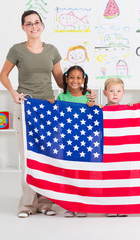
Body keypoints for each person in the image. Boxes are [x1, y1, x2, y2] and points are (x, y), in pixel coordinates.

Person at [0, 10, 96, 218]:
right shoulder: (16, 50)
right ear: (23, 27)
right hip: (26, 107)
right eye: (29, 23)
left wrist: (84, 90)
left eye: (37, 22)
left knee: (47, 157)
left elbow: (62, 81)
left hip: (49, 109)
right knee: (28, 158)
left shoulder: (51, 50)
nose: (33, 26)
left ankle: (45, 202)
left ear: (42, 25)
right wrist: (14, 93)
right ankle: (27, 204)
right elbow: (3, 75)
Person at [54, 65, 96, 218]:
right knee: (69, 173)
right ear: (66, 79)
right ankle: (69, 205)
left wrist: (93, 105)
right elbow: (56, 115)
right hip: (66, 142)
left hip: (84, 142)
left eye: (78, 78)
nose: (75, 80)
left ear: (83, 80)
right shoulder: (62, 97)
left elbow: (95, 114)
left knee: (83, 173)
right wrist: (50, 104)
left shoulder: (88, 97)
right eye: (71, 77)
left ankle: (82, 204)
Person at [103, 77, 140, 217]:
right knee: (109, 178)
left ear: (123, 93)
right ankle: (110, 207)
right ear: (105, 93)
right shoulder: (101, 110)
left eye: (118, 91)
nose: (115, 94)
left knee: (123, 178)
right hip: (108, 152)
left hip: (123, 152)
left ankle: (122, 207)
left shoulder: (127, 110)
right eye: (111, 91)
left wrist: (134, 108)